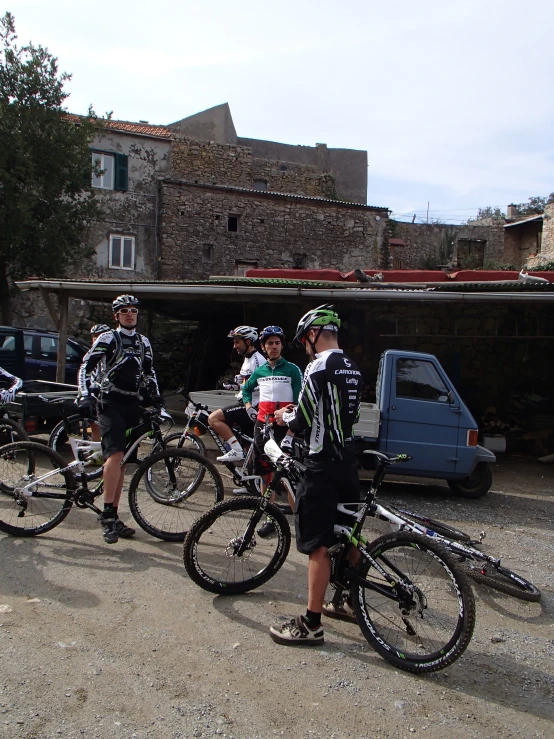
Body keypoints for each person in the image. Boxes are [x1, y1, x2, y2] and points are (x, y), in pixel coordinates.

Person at [271, 305, 362, 646]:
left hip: (320, 464)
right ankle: (353, 600)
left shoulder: (317, 366)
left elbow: (304, 418)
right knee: (350, 534)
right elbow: (338, 413)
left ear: (313, 334)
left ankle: (311, 623)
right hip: (347, 463)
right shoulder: (352, 366)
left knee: (319, 545)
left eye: (304, 339)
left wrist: (283, 418)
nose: (304, 346)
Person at [77, 295, 163, 544]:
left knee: (123, 461)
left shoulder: (143, 342)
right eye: (123, 311)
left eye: (133, 311)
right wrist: (84, 394)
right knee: (114, 456)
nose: (129, 314)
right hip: (110, 403)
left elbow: (149, 371)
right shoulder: (108, 338)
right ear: (116, 316)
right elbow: (86, 366)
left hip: (132, 404)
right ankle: (106, 516)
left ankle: (113, 515)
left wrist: (155, 397)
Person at [240, 326, 302, 537]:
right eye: (269, 343)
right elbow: (246, 389)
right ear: (263, 347)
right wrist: (249, 406)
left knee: (289, 475)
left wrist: (290, 420)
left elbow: (301, 402)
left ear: (282, 345)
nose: (274, 347)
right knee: (266, 475)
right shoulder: (260, 371)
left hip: (285, 428)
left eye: (277, 343)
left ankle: (299, 521)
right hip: (262, 427)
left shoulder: (293, 370)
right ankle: (269, 518)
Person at [209, 326, 266, 464]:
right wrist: (238, 381)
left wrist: (239, 386)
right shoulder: (247, 358)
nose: (235, 346)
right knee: (250, 450)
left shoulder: (257, 359)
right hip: (245, 403)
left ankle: (236, 449)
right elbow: (248, 380)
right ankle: (250, 483)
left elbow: (261, 385)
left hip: (251, 406)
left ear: (248, 342)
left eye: (237, 342)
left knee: (213, 419)